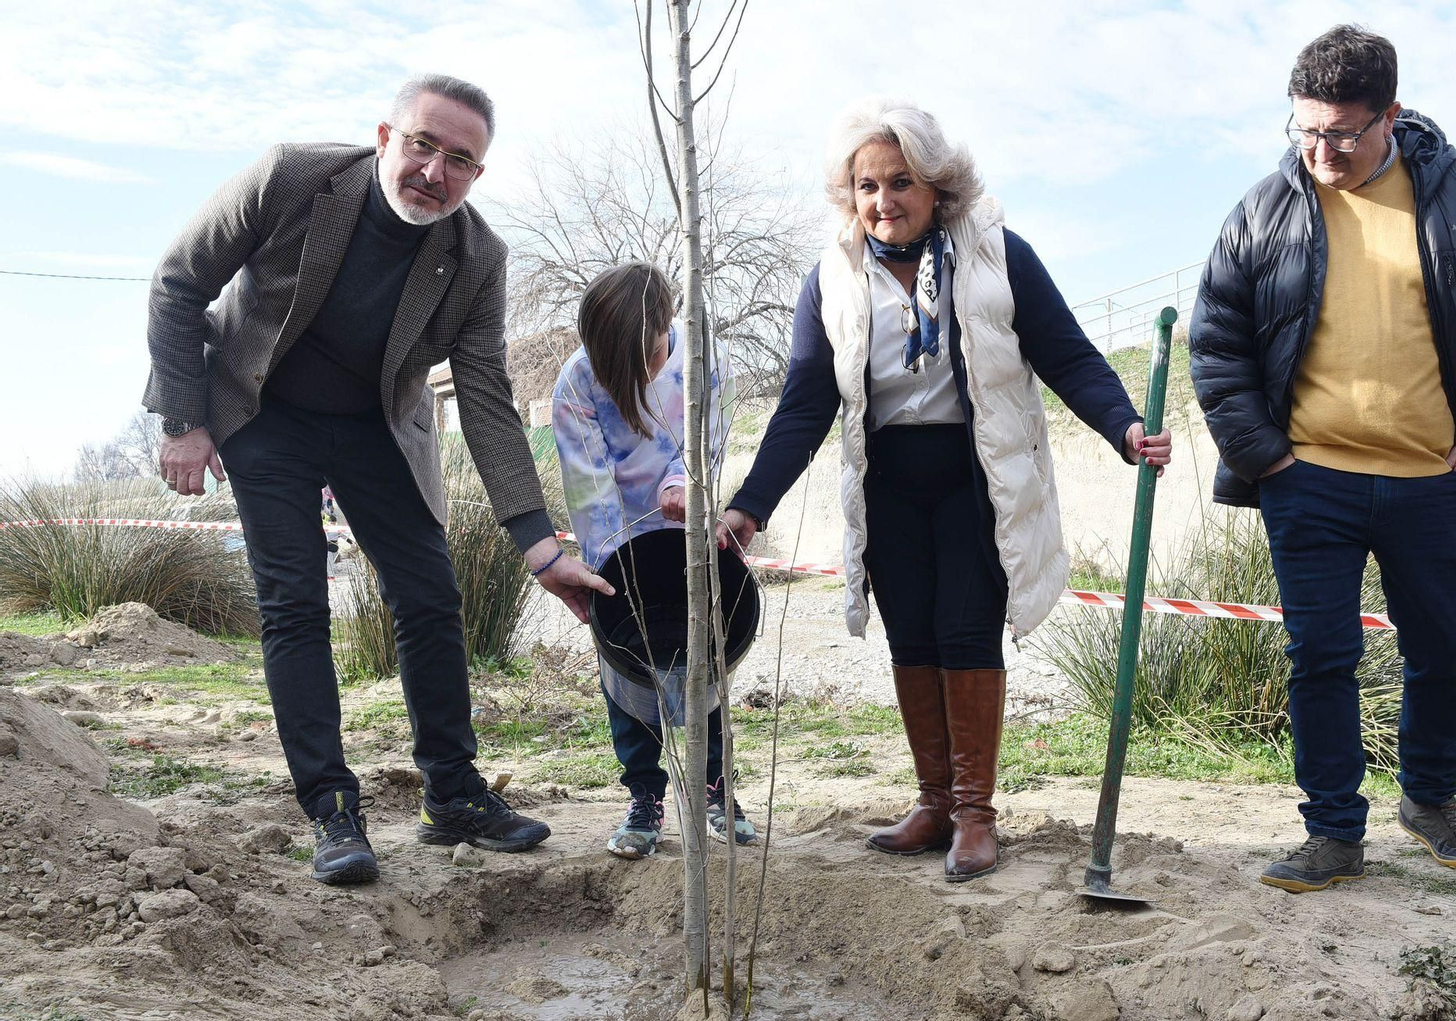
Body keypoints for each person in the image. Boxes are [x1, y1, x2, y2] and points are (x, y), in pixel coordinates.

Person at [145, 74, 614, 886]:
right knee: (296, 601)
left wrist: (540, 548)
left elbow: (488, 401)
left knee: (430, 595)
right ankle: (332, 808)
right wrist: (184, 421)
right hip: (264, 410)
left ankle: (453, 795)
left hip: (377, 425)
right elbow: (179, 282)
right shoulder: (291, 176)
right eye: (423, 145)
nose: (435, 172)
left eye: (460, 160)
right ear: (386, 137)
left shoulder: (477, 258)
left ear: (477, 175)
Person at [722, 98, 1171, 883]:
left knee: (966, 633)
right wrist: (749, 506)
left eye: (902, 182)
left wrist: (1124, 427)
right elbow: (803, 403)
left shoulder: (996, 254)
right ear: (849, 193)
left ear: (938, 188)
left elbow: (1066, 354)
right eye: (867, 185)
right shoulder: (832, 277)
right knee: (913, 639)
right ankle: (932, 802)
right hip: (888, 483)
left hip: (975, 476)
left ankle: (974, 814)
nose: (883, 201)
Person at [1188, 25, 1456, 893]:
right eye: (1305, 130)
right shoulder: (1262, 210)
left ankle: (1430, 803)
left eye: (1344, 133)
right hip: (1306, 481)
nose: (1322, 152)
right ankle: (1333, 834)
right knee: (1319, 657)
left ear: (1390, 114)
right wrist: (1266, 459)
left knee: (1441, 651)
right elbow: (1217, 344)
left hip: (1436, 480)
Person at [551, 262, 756, 859]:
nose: (641, 371)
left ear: (669, 323)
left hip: (687, 529)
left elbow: (708, 434)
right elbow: (589, 486)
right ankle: (644, 797)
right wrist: (619, 576)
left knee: (704, 669)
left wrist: (681, 482)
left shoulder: (700, 357)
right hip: (616, 543)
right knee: (626, 673)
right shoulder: (576, 385)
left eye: (651, 352)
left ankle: (718, 792)